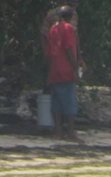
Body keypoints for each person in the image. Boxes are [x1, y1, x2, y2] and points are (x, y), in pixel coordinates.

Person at [46, 5, 82, 141]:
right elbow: (68, 49)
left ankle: (58, 132)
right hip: (66, 70)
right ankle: (71, 133)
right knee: (69, 102)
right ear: (71, 17)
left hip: (55, 69)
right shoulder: (68, 29)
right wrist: (75, 69)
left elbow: (50, 52)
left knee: (56, 103)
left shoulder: (53, 29)